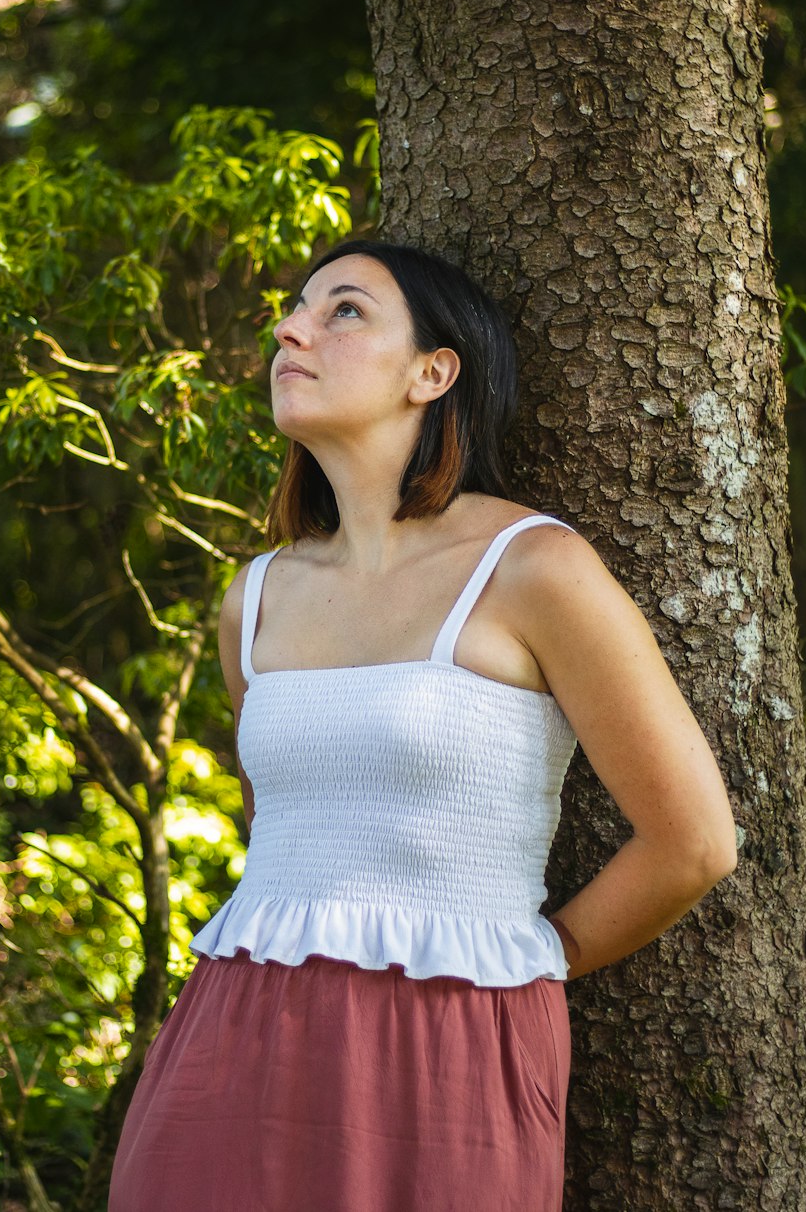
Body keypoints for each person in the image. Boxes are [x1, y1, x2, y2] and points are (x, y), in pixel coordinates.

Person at [108, 239, 738, 1212]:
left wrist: (518, 959)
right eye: (295, 308)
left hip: (446, 1042)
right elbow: (273, 823)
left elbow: (692, 842)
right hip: (231, 1035)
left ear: (433, 372)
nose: (290, 328)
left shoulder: (533, 567)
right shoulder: (257, 595)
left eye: (343, 311)